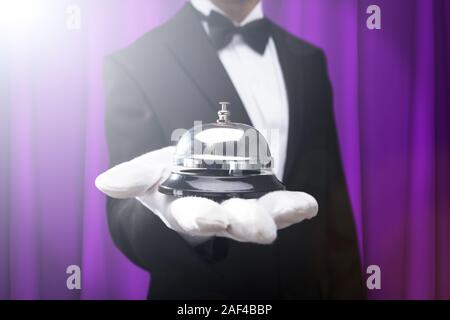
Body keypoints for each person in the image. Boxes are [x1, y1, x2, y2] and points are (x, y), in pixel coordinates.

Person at [97, 0, 364, 299]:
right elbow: (125, 213)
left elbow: (332, 199)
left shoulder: (308, 60)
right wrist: (180, 224)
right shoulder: (136, 63)